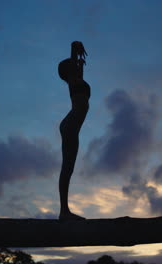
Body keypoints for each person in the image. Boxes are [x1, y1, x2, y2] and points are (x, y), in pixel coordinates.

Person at [57, 41, 90, 220]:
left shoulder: (79, 79)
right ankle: (64, 212)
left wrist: (78, 58)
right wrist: (73, 48)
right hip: (70, 126)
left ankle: (65, 211)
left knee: (69, 168)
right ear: (69, 72)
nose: (77, 67)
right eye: (74, 67)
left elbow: (76, 65)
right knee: (66, 168)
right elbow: (72, 63)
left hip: (71, 127)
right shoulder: (72, 80)